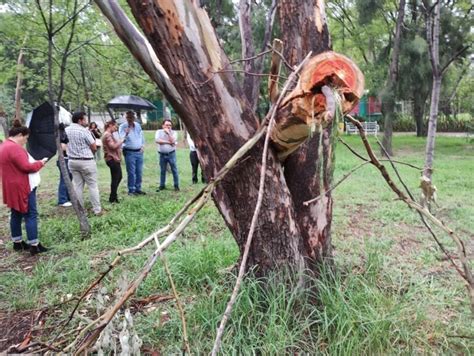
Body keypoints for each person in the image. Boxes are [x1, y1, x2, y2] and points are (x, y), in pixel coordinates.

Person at [0, 121, 49, 255]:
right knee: (30, 214)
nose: (25, 142)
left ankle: (17, 242)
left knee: (16, 213)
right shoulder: (15, 148)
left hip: (10, 185)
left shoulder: (4, 146)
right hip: (21, 185)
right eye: (26, 139)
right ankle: (34, 244)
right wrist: (40, 163)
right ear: (20, 135)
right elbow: (26, 167)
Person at [66, 111, 102, 216]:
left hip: (72, 160)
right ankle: (97, 210)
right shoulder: (84, 131)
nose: (86, 121)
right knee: (92, 185)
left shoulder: (66, 130)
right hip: (86, 161)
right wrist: (92, 152)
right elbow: (94, 146)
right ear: (80, 120)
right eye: (84, 119)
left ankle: (80, 211)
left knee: (77, 186)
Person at [119, 111, 146, 195]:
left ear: (134, 117)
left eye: (131, 117)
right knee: (131, 172)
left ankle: (138, 188)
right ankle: (131, 190)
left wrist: (142, 145)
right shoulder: (122, 126)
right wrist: (126, 133)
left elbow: (141, 136)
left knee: (139, 171)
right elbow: (121, 139)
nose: (130, 119)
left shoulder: (137, 125)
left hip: (139, 151)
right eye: (128, 117)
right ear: (126, 118)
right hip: (129, 152)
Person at [102, 120, 126, 203]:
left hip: (114, 158)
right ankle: (112, 198)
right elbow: (113, 146)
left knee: (118, 177)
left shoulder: (110, 134)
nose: (116, 128)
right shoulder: (107, 135)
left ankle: (114, 196)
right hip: (112, 159)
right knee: (116, 178)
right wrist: (121, 141)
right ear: (110, 125)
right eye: (115, 126)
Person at [155, 119, 179, 191]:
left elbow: (173, 141)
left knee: (174, 170)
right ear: (163, 126)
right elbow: (157, 141)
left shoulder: (174, 133)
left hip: (171, 154)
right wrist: (169, 142)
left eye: (170, 125)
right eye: (167, 125)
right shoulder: (158, 132)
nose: (168, 127)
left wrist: (168, 134)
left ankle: (176, 185)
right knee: (162, 170)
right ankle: (162, 185)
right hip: (162, 154)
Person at [57, 123, 72, 207]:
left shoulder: (63, 134)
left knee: (69, 179)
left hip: (67, 159)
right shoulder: (61, 135)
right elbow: (63, 147)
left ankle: (68, 197)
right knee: (64, 179)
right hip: (64, 159)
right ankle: (62, 200)